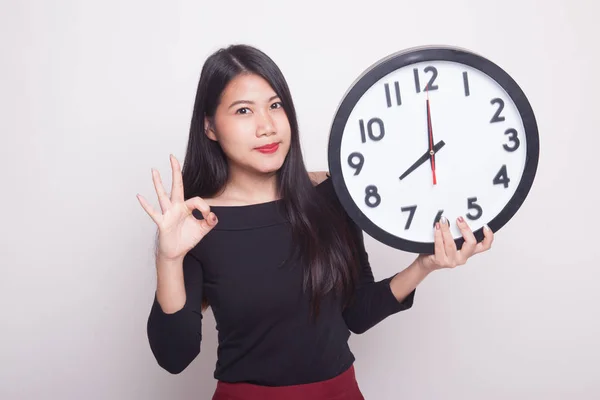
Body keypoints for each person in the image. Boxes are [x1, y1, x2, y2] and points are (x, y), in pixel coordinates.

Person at [136, 44, 494, 400]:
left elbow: (356, 313)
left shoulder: (331, 196)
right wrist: (168, 259)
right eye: (243, 110)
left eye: (275, 106)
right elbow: (174, 357)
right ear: (210, 126)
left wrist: (424, 265)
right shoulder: (197, 222)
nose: (267, 127)